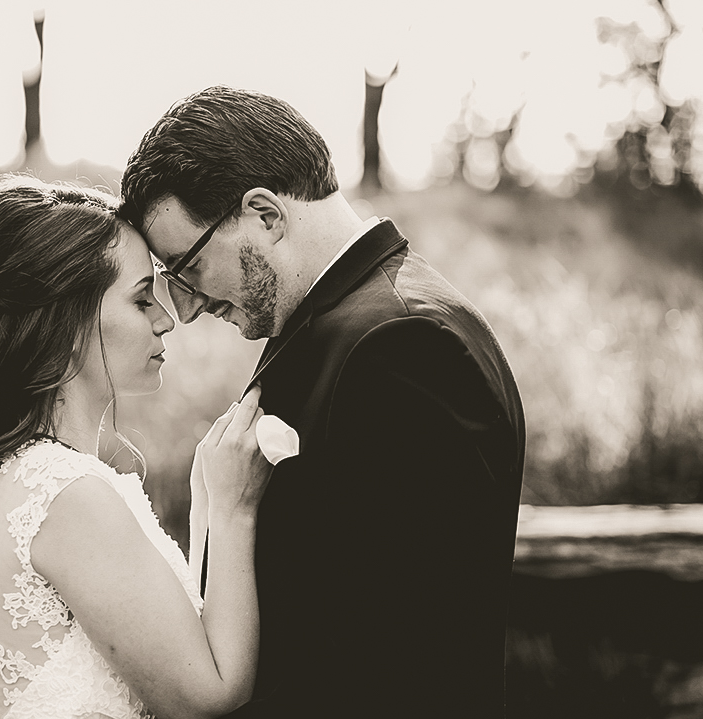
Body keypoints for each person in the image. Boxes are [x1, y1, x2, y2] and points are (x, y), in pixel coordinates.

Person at [119, 86, 527, 718]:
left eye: (188, 269)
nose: (188, 306)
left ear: (265, 215)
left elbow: (404, 655)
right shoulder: (341, 323)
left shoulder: (400, 346)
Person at [0, 175, 274, 719]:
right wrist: (234, 509)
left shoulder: (23, 478)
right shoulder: (65, 494)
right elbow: (209, 695)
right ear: (67, 320)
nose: (165, 319)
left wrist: (206, 498)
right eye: (141, 298)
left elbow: (185, 636)